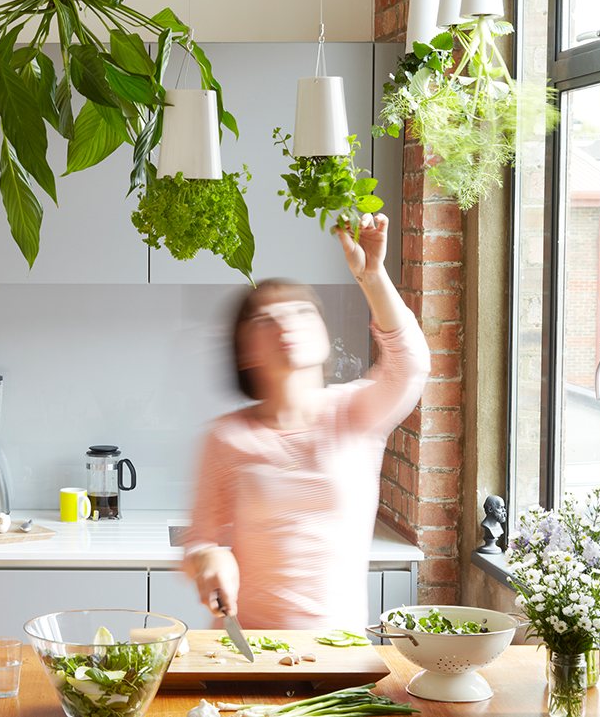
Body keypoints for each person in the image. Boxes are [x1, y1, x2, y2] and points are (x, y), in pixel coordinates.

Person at [181, 213, 431, 630]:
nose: (286, 324)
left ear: (323, 333)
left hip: (339, 659)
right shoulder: (226, 437)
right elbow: (198, 540)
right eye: (265, 319)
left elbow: (411, 364)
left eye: (301, 312)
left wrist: (372, 275)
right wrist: (209, 558)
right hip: (249, 658)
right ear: (244, 351)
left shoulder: (355, 413)